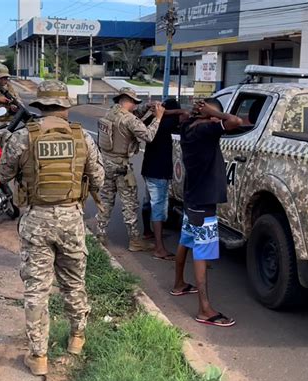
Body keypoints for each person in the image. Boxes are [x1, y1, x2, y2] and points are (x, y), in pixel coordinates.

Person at [0, 80, 104, 376]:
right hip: (71, 219)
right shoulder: (83, 138)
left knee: (36, 289)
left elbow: (2, 173)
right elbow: (98, 179)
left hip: (36, 221)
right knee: (73, 282)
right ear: (65, 107)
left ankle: (38, 356)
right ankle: (77, 340)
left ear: (40, 105)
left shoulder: (23, 137)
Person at [172, 98, 242, 327]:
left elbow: (184, 115)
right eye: (214, 114)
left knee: (187, 240)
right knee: (201, 253)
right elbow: (235, 121)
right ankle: (204, 309)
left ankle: (179, 284)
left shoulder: (188, 127)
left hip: (192, 198)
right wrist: (217, 115)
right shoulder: (207, 130)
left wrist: (201, 113)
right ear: (210, 115)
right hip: (203, 202)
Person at [96, 87, 165, 251]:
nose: (136, 105)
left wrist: (147, 107)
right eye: (135, 102)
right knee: (130, 204)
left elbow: (133, 116)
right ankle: (135, 240)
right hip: (121, 166)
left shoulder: (111, 112)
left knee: (105, 200)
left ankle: (100, 234)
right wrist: (158, 118)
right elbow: (148, 136)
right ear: (130, 101)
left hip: (106, 163)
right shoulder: (128, 119)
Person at [141, 98, 181, 260]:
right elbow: (183, 116)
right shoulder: (167, 124)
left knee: (148, 202)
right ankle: (159, 248)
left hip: (148, 169)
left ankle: (147, 232)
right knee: (158, 208)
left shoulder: (153, 121)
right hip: (159, 172)